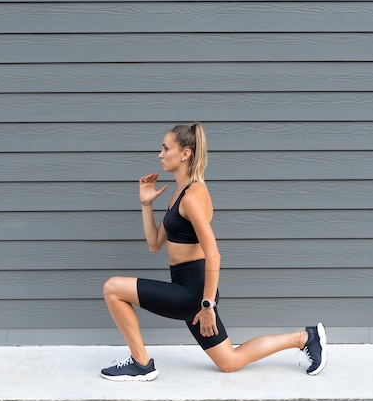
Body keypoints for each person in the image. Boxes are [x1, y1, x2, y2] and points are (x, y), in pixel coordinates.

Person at [101, 122, 327, 381]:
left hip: (193, 293)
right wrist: (145, 204)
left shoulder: (192, 197)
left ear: (185, 153)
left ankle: (141, 363)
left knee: (112, 288)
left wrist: (207, 304)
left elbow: (214, 253)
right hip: (191, 289)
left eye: (165, 148)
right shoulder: (179, 195)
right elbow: (154, 244)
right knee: (229, 361)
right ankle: (306, 337)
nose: (160, 154)